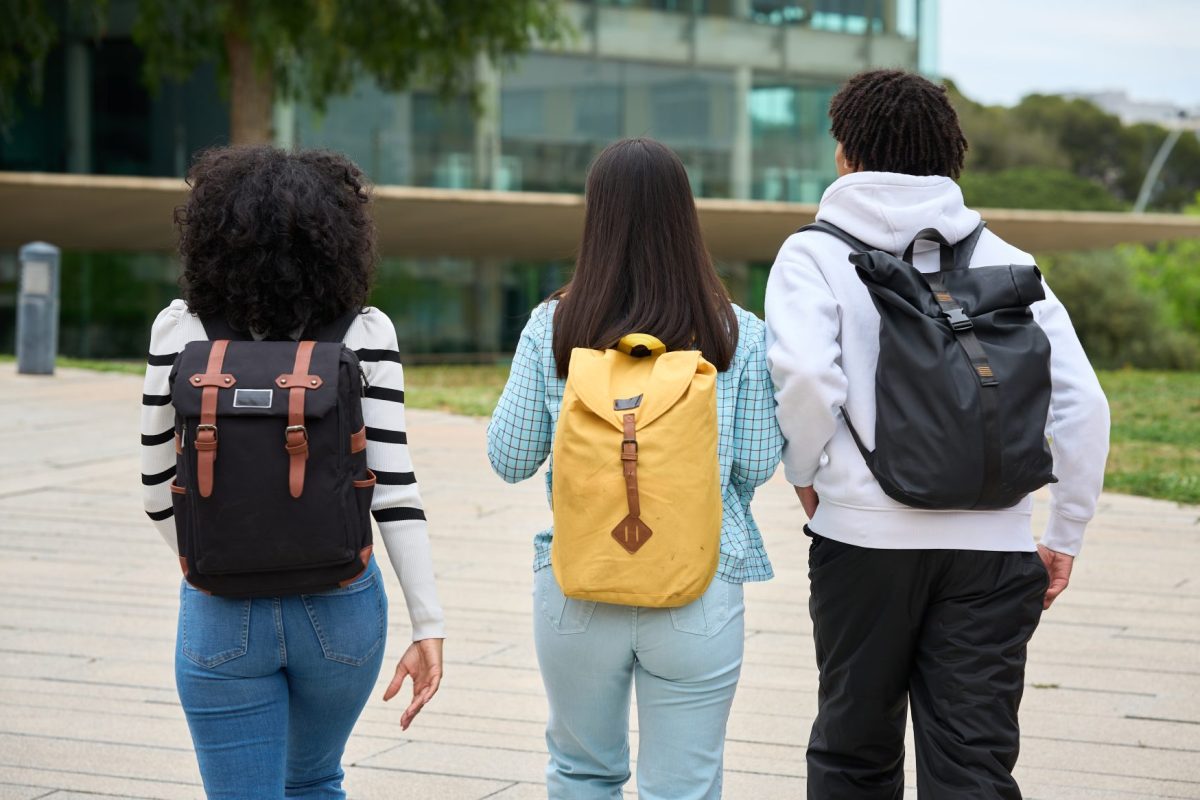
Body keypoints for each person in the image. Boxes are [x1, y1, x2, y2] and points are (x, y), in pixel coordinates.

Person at [765, 69, 1110, 800]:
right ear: (951, 157)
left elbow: (804, 379)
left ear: (844, 154)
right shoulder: (1009, 262)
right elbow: (1082, 405)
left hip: (862, 542)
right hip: (995, 548)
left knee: (853, 751)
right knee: (973, 766)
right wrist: (1064, 531)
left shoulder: (814, 255)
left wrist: (806, 475)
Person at [139, 146, 445, 799]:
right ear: (341, 237)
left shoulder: (178, 331)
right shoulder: (365, 332)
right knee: (312, 781)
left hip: (221, 610)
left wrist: (216, 559)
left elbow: (155, 492)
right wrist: (429, 626)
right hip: (341, 612)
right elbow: (394, 492)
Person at [487, 137, 783, 799]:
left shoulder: (552, 328)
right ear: (686, 218)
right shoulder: (738, 332)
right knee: (684, 786)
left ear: (596, 219)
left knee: (582, 774)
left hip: (579, 582)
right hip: (698, 583)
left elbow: (508, 459)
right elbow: (760, 462)